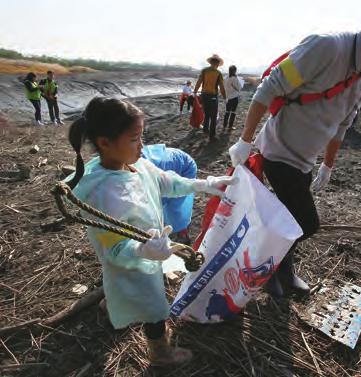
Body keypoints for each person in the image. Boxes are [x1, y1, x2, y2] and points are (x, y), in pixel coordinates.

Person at [228, 10, 361, 297]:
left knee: (290, 220)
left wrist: (327, 166)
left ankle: (280, 270)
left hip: (304, 160)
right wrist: (245, 142)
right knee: (305, 223)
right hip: (278, 151)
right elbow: (268, 89)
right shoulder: (326, 47)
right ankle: (266, 267)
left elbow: (342, 126)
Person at [66, 97, 237, 365]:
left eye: (141, 137)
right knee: (155, 307)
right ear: (105, 143)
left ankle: (112, 302)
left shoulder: (135, 164)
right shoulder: (106, 195)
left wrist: (203, 184)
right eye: (135, 139)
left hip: (148, 250)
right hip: (134, 261)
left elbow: (166, 181)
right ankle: (161, 353)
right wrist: (143, 250)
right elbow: (116, 249)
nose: (142, 145)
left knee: (120, 286)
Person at [142, 144, 197, 245]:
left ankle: (182, 233)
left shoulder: (142, 168)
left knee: (174, 208)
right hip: (168, 167)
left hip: (183, 168)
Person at [193, 54, 226, 141]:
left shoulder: (204, 70)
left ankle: (205, 131)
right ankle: (212, 136)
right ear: (218, 63)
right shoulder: (218, 73)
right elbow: (221, 87)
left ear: (211, 62)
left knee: (207, 114)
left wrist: (195, 91)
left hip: (204, 96)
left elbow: (199, 82)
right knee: (213, 116)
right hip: (212, 97)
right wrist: (225, 97)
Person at [223, 65, 243, 130]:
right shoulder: (235, 78)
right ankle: (230, 127)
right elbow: (239, 88)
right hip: (234, 97)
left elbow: (224, 87)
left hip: (228, 97)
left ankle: (224, 126)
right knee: (233, 112)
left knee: (227, 112)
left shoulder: (225, 78)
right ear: (235, 71)